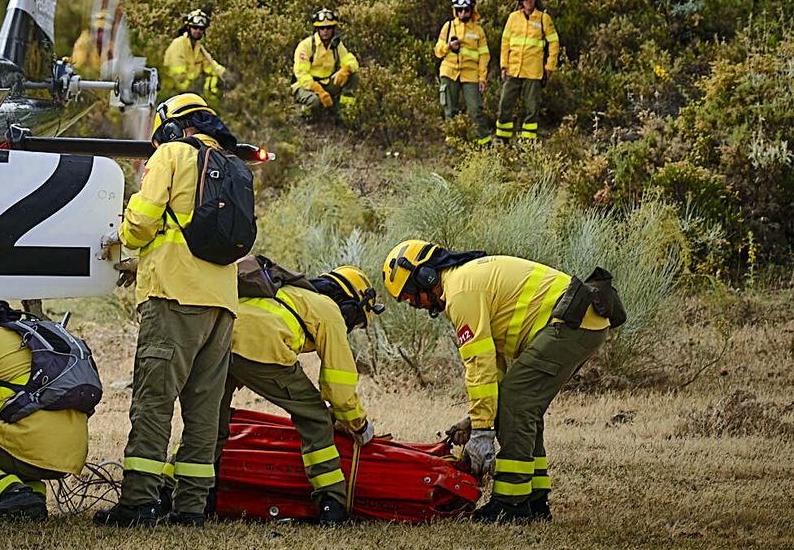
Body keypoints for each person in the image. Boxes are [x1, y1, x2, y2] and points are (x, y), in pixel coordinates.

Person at [381, 240, 619, 523]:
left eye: (410, 296)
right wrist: (476, 419)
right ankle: (534, 500)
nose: (414, 305)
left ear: (425, 277)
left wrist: (483, 432)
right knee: (522, 404)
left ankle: (511, 505)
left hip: (571, 324)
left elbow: (479, 364)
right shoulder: (463, 282)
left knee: (516, 403)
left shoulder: (461, 292)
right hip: (581, 322)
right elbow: (494, 365)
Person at [94, 93, 240, 527]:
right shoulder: (230, 164)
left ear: (172, 127)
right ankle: (191, 507)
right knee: (204, 411)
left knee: (154, 402)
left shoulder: (172, 155)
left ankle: (139, 502)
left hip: (174, 299)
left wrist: (120, 238)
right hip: (221, 305)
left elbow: (140, 224)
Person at [220, 260, 382, 523]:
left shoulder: (288, 292)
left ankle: (177, 493)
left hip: (218, 338)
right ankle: (332, 504)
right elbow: (339, 386)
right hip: (263, 347)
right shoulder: (328, 310)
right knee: (315, 418)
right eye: (356, 321)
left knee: (209, 420)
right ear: (349, 305)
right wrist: (358, 425)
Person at [0, 296, 92, 522]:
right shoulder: (26, 335)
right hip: (71, 452)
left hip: (26, 441)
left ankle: (12, 494)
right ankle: (33, 499)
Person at [496, 0, 559, 141]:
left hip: (534, 72)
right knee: (505, 105)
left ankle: (528, 144)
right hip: (513, 69)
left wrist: (549, 67)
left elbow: (554, 43)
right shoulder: (513, 18)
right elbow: (505, 43)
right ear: (520, 1)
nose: (528, 2)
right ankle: (502, 140)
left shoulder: (543, 19)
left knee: (532, 109)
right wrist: (504, 66)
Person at [435, 0, 493, 145]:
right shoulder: (448, 27)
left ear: (472, 10)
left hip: (471, 74)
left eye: (466, 10)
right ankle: (452, 146)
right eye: (459, 10)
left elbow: (484, 56)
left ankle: (485, 145)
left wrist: (482, 78)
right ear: (455, 10)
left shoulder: (478, 31)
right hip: (449, 72)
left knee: (476, 111)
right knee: (450, 112)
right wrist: (448, 46)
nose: (463, 14)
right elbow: (438, 51)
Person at [291, 8, 359, 120]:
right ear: (317, 29)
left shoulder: (337, 45)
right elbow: (301, 75)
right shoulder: (306, 46)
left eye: (329, 27)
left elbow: (352, 61)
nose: (325, 31)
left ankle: (344, 110)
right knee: (315, 102)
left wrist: (346, 69)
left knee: (353, 75)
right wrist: (320, 91)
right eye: (322, 28)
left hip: (327, 82)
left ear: (333, 29)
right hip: (305, 86)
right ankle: (301, 112)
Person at [162, 8, 227, 99]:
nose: (198, 31)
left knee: (213, 78)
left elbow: (211, 66)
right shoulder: (178, 45)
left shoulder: (198, 48)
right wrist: (194, 87)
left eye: (201, 28)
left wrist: (225, 74)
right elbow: (177, 76)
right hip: (173, 94)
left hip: (191, 94)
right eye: (195, 27)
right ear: (188, 27)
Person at [70, 10, 110, 79]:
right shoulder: (83, 42)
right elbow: (77, 66)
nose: (101, 35)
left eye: (105, 31)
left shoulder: (110, 44)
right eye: (99, 31)